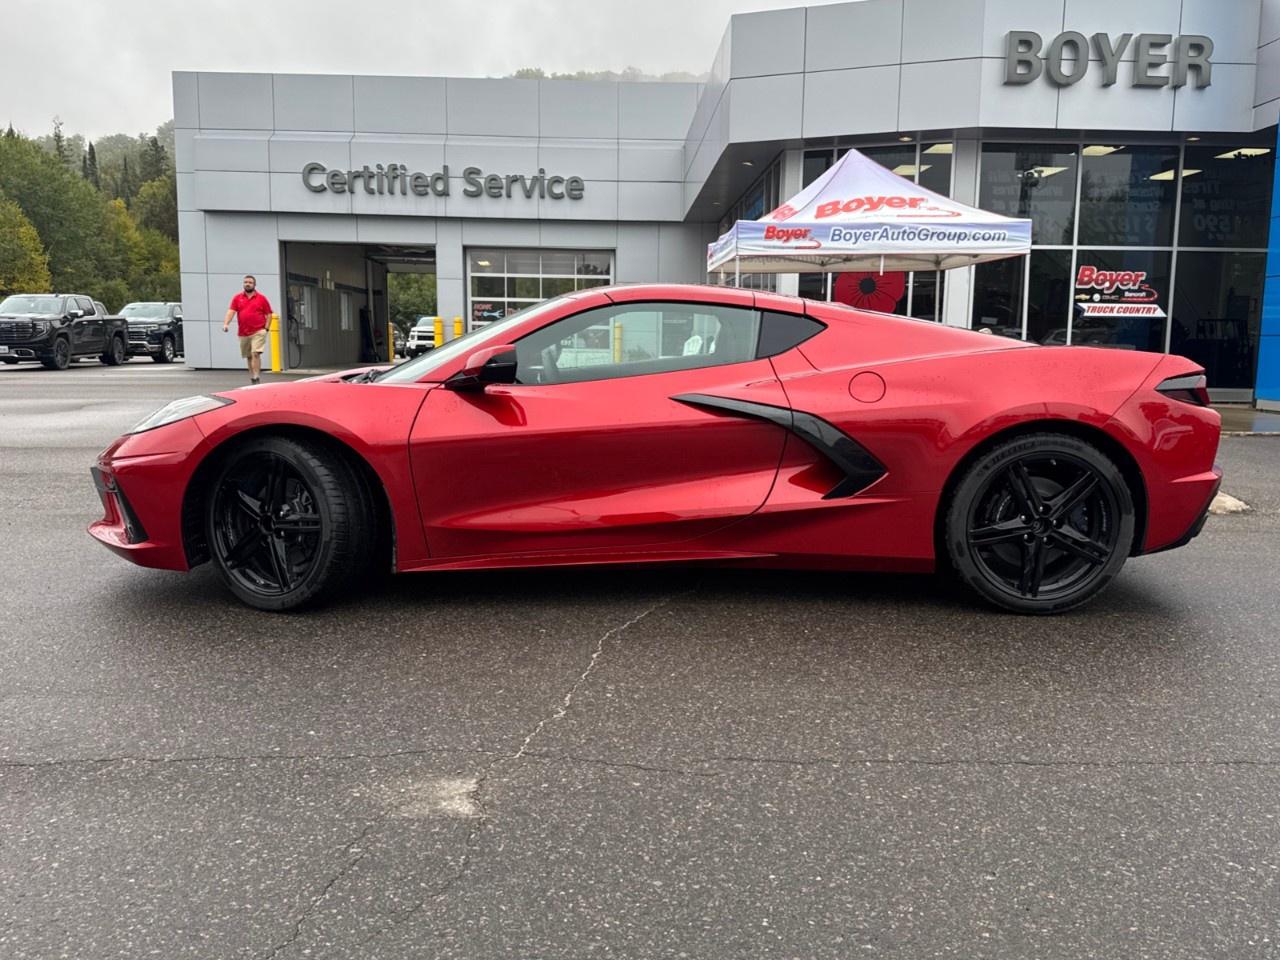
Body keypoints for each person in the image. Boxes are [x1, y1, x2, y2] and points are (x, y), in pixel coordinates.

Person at [222, 275, 273, 384]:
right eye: (245, 282)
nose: (247, 284)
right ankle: (252, 378)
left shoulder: (261, 298)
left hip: (258, 331)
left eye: (250, 282)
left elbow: (269, 314)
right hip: (243, 332)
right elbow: (231, 312)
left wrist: (266, 328)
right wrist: (226, 324)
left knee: (256, 353)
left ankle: (256, 377)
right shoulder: (237, 298)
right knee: (249, 356)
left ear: (254, 285)